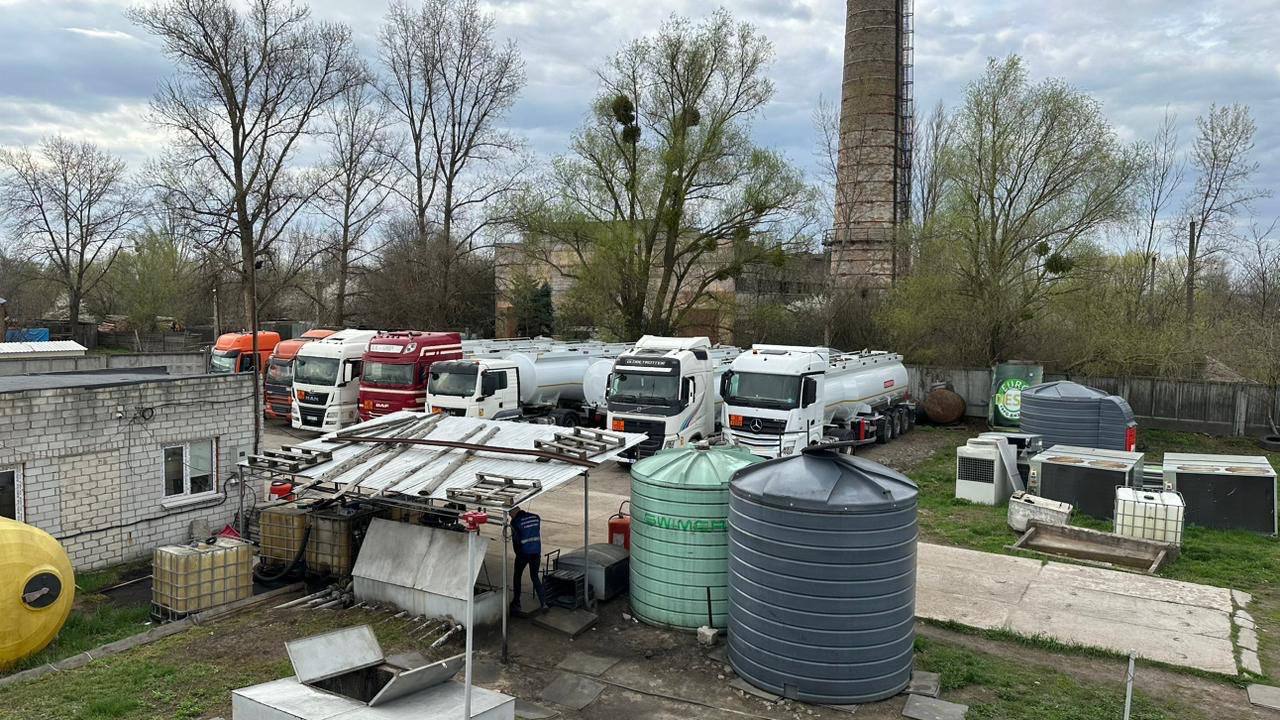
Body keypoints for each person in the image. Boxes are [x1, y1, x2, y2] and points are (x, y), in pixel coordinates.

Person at [509, 506, 548, 611]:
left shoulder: (515, 522)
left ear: (514, 513)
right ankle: (544, 603)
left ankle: (516, 602)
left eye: (510, 514)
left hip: (523, 553)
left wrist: (518, 554)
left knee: (517, 576)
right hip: (536, 552)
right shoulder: (536, 517)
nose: (509, 516)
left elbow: (516, 541)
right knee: (535, 577)